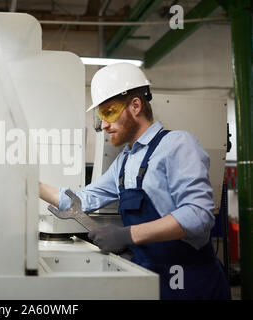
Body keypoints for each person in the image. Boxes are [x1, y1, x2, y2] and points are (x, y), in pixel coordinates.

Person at [39, 63, 231, 300]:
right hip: (149, 281)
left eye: (108, 113)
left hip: (191, 284)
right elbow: (83, 200)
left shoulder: (178, 145)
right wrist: (30, 183)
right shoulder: (124, 162)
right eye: (101, 116)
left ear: (136, 105)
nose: (105, 125)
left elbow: (198, 215)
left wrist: (126, 235)